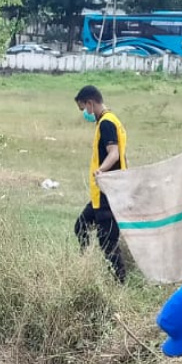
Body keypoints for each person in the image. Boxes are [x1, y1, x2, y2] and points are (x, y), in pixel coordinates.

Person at [73, 85, 128, 282]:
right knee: (81, 225)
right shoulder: (110, 120)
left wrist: (101, 170)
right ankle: (85, 266)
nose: (85, 114)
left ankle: (120, 281)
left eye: (84, 109)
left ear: (90, 103)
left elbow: (114, 154)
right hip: (102, 193)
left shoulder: (106, 123)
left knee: (107, 242)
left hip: (108, 194)